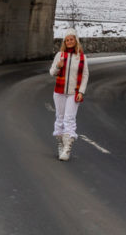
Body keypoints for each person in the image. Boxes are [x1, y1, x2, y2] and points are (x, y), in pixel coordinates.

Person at [49, 30, 89, 160]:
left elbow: (85, 75)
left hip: (74, 92)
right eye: (67, 40)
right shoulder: (60, 55)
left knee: (69, 119)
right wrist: (58, 67)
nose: (69, 42)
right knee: (59, 117)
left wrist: (81, 91)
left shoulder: (81, 57)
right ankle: (61, 144)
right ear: (64, 42)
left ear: (76, 40)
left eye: (71, 39)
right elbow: (52, 73)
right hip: (59, 92)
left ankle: (67, 148)